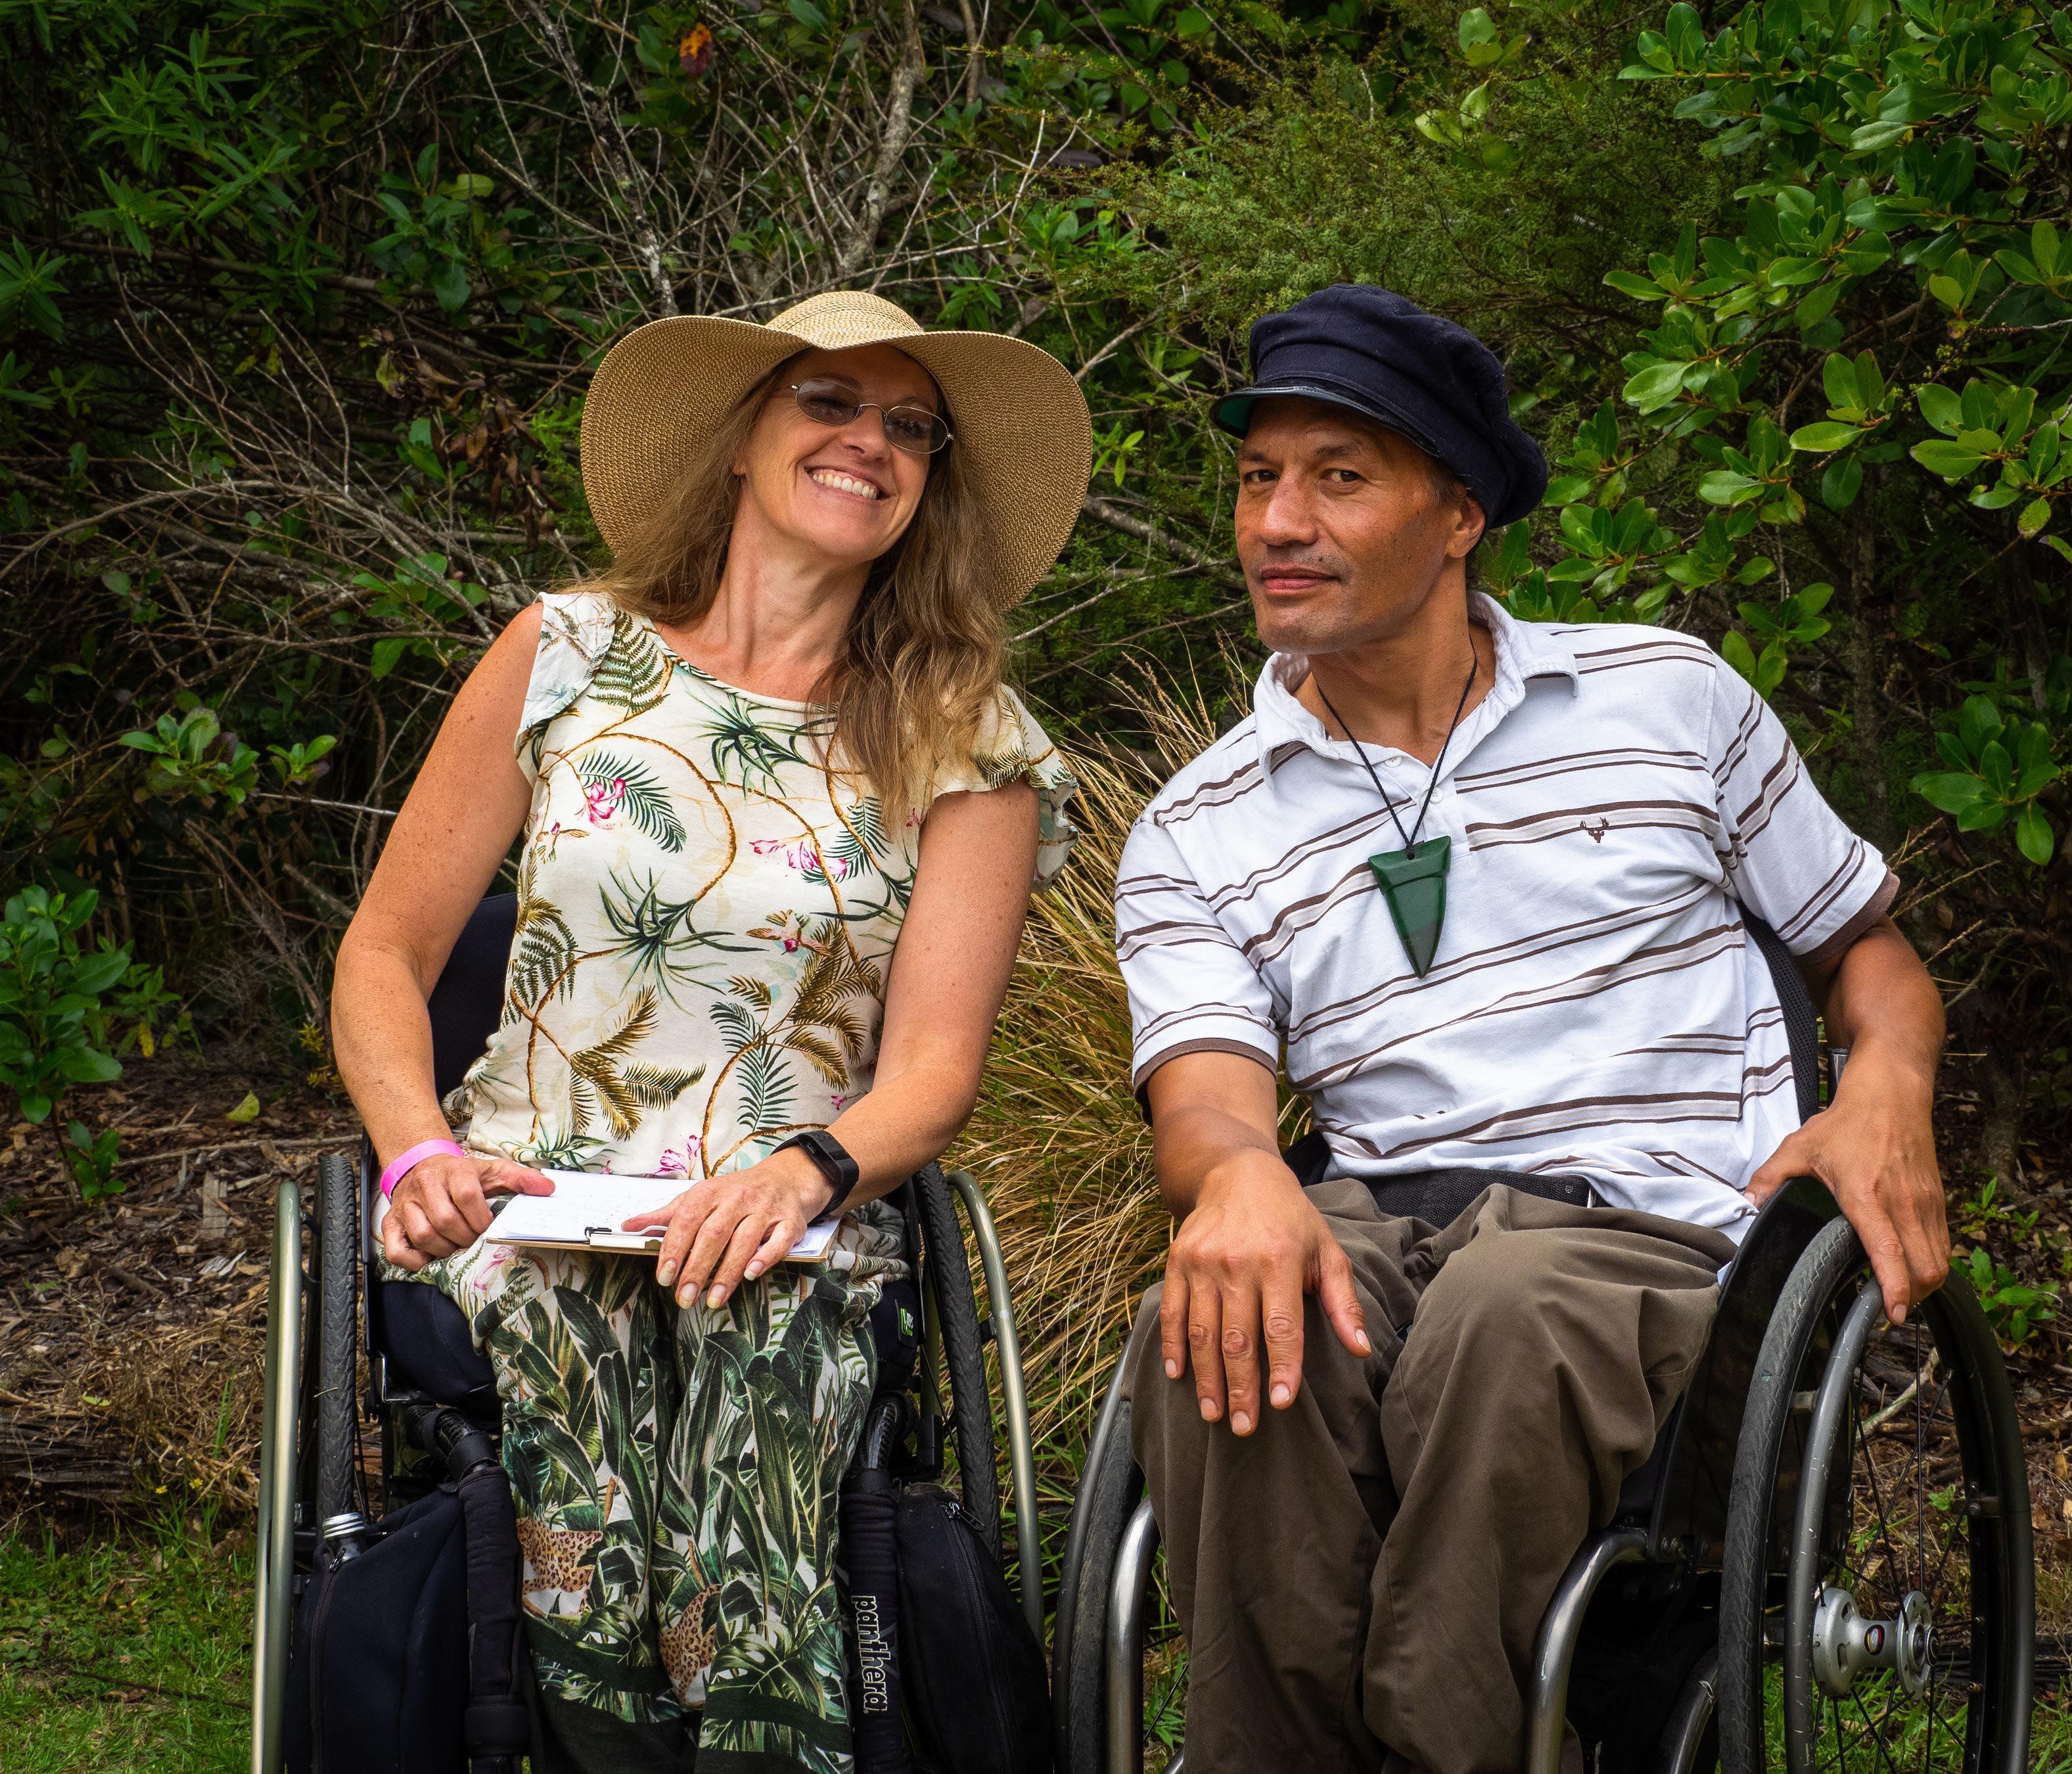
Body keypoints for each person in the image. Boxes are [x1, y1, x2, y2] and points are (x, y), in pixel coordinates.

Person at [1114, 283, 1950, 1774]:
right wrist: (1238, 1175)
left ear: (1460, 515)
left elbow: (1862, 951)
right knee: (1240, 1319)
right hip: (1386, 1216)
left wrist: (1888, 1082)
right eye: (1258, 478)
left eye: (1338, 478)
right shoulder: (1199, 824)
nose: (1276, 522)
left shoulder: (1667, 699)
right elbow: (1207, 1093)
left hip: (1659, 1231)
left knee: (1503, 1316)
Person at [330, 289, 1089, 1774]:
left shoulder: (967, 735)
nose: (870, 442)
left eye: (909, 428)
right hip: (529, 1187)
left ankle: (747, 1734)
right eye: (829, 403)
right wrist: (416, 1148)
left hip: (793, 1202)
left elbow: (932, 1072)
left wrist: (802, 1175)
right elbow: (387, 951)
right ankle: (593, 1720)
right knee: (565, 1352)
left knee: (759, 1378)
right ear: (744, 438)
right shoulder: (567, 652)